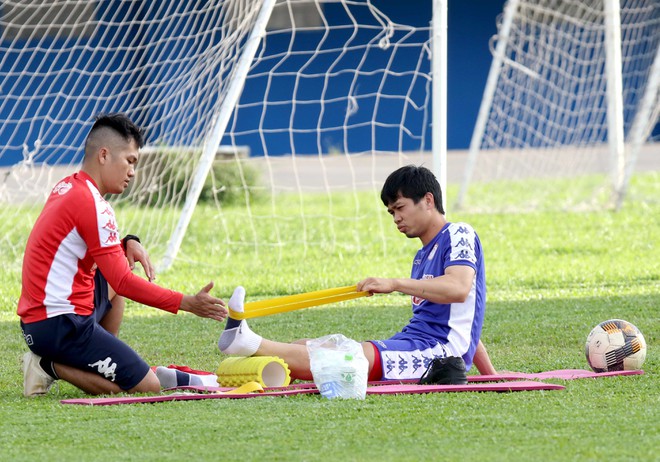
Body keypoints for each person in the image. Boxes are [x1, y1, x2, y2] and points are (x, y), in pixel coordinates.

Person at [218, 165, 497, 382]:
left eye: (400, 208)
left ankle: (248, 341)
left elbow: (459, 289)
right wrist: (491, 376)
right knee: (307, 345)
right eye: (391, 212)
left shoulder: (459, 232)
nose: (396, 218)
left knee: (344, 359)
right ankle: (247, 345)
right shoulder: (422, 256)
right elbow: (466, 321)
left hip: (438, 354)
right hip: (418, 344)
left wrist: (394, 283)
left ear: (427, 200)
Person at [18, 113, 228, 397]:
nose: (132, 171)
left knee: (114, 271)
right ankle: (49, 365)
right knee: (147, 388)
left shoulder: (69, 186)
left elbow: (93, 249)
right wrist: (187, 303)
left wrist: (128, 241)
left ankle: (98, 355)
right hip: (60, 325)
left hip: (40, 321)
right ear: (104, 155)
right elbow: (126, 282)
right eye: (130, 161)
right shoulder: (94, 205)